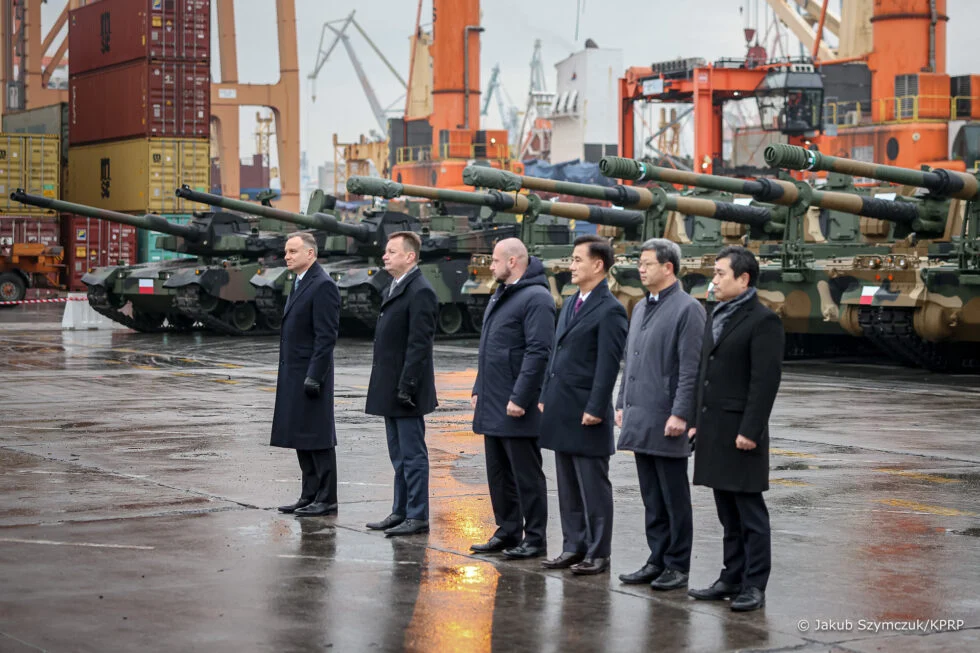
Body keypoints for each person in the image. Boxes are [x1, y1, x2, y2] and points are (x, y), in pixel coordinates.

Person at [687, 246, 784, 612]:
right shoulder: (718, 316)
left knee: (749, 512)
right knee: (727, 511)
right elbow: (704, 375)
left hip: (741, 433)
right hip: (715, 428)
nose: (714, 280)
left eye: (720, 273)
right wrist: (697, 422)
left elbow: (764, 382)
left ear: (743, 279)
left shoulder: (763, 321)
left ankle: (754, 585)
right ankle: (731, 576)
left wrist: (751, 430)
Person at [616, 238, 705, 590]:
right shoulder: (640, 307)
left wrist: (682, 414)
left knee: (673, 496)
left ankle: (677, 564)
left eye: (647, 263)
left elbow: (690, 369)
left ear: (668, 267)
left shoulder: (688, 309)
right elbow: (631, 360)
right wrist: (622, 401)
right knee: (651, 495)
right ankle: (656, 559)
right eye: (640, 262)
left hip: (668, 418)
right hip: (642, 415)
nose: (641, 268)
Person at [537, 235, 628, 575]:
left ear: (598, 265)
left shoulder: (610, 310)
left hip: (587, 411)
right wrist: (545, 396)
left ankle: (598, 552)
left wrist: (595, 406)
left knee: (592, 485)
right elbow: (556, 354)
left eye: (577, 260)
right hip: (562, 407)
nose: (571, 266)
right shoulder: (573, 302)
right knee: (568, 485)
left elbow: (608, 366)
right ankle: (573, 546)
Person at [470, 238, 555, 560]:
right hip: (493, 400)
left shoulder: (536, 298)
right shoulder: (503, 293)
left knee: (526, 476)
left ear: (514, 261)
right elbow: (489, 347)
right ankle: (507, 531)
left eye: (495, 261)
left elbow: (538, 352)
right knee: (499, 474)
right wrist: (479, 386)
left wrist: (521, 397)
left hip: (516, 405)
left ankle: (535, 539)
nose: (491, 267)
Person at [364, 231, 438, 537]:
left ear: (410, 256)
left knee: (412, 455)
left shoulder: (420, 290)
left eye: (392, 251)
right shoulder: (395, 287)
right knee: (398, 456)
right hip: (391, 387)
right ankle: (401, 510)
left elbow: (419, 345)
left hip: (406, 390)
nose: (385, 256)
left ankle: (417, 515)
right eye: (385, 251)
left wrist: (407, 386)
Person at [272, 232, 342, 517]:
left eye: (292, 251)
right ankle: (309, 495)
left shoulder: (322, 285)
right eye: (286, 251)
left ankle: (327, 499)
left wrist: (315, 375)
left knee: (317, 437)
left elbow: (326, 337)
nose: (286, 256)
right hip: (295, 372)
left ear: (310, 254)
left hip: (312, 375)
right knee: (301, 435)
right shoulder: (301, 282)